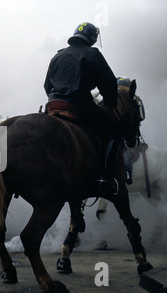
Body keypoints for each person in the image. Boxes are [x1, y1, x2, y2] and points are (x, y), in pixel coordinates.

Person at [44, 22, 121, 195]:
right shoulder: (93, 54)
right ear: (93, 38)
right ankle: (105, 178)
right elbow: (109, 84)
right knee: (115, 133)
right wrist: (110, 102)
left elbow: (47, 86)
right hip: (79, 106)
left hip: (53, 105)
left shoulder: (57, 56)